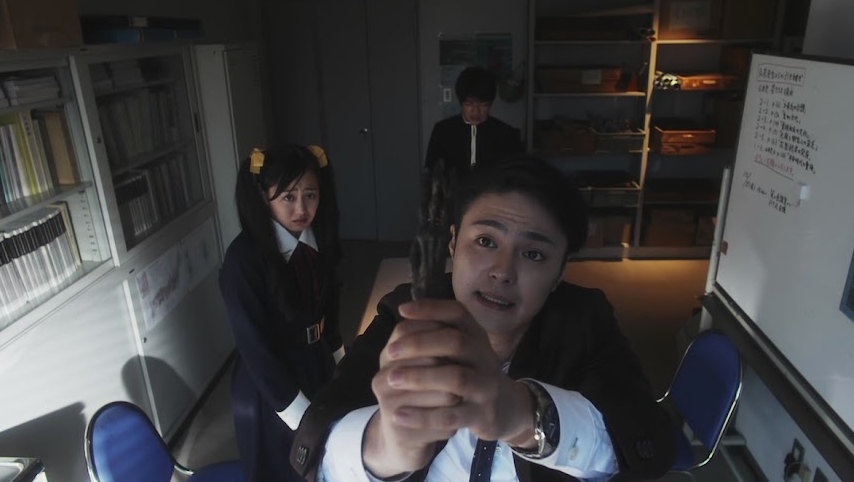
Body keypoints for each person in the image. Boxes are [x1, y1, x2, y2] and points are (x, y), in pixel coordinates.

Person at [290, 155, 674, 481]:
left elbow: (648, 447)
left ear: (560, 272)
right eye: (486, 241)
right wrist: (385, 445)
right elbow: (317, 442)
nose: (502, 272)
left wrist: (525, 415)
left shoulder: (585, 322)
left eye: (534, 254)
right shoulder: (404, 313)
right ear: (453, 242)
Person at [220, 144, 345, 481]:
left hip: (316, 361)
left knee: (322, 458)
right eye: (288, 197)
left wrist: (342, 364)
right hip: (269, 382)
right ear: (264, 197)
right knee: (281, 465)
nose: (302, 208)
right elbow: (255, 349)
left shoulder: (319, 241)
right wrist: (300, 415)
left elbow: (330, 312)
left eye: (310, 195)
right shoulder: (242, 260)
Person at [424, 66, 524, 180]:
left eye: (483, 105)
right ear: (461, 102)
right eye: (469, 104)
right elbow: (429, 173)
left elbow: (518, 176)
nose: (476, 111)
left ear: (490, 104)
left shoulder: (507, 134)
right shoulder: (442, 130)